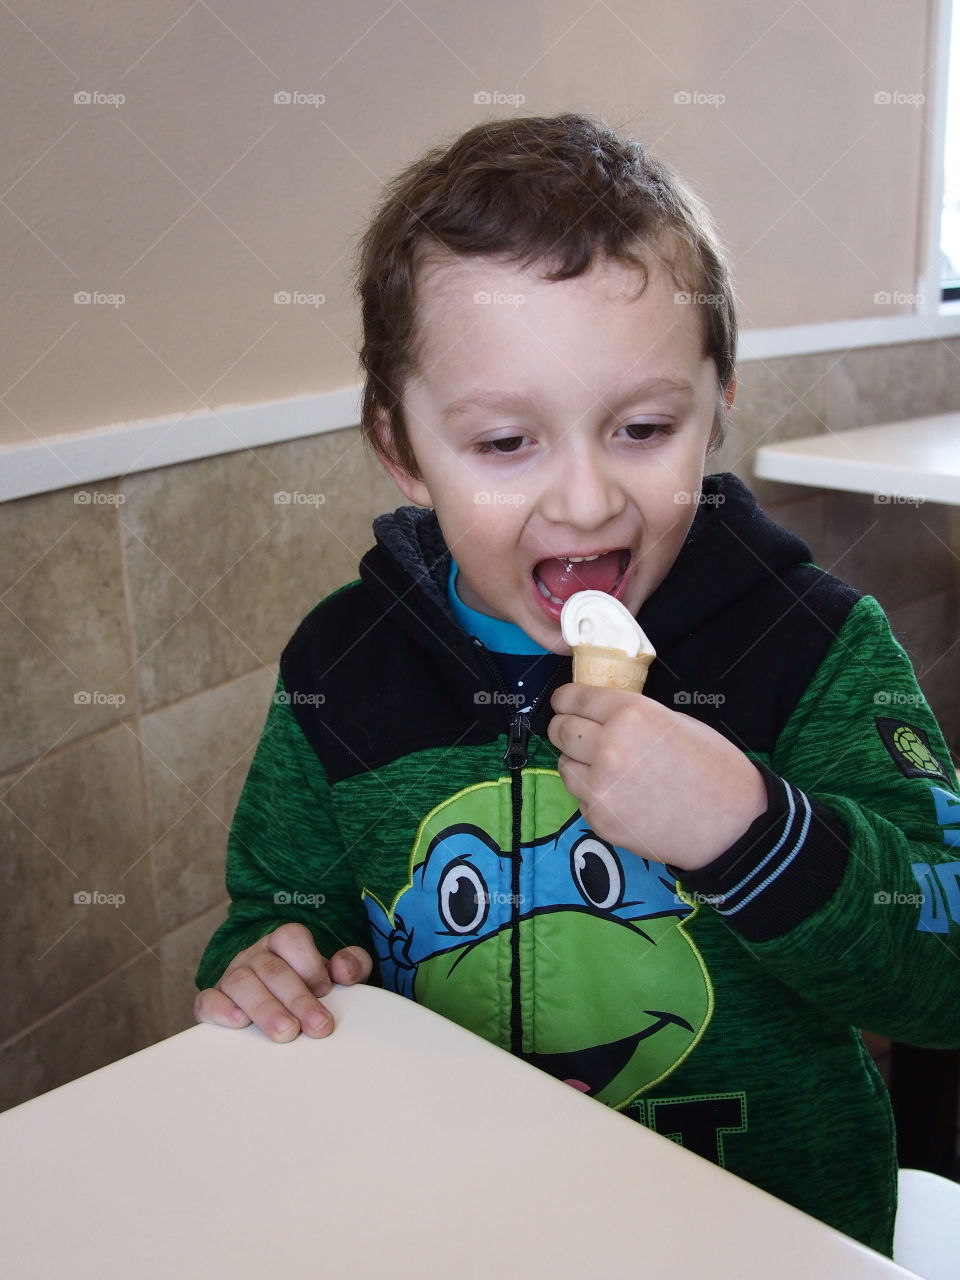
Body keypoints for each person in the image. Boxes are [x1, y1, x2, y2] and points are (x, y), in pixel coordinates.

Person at [194, 112, 960, 1255]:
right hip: (460, 1220)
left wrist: (754, 833)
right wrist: (268, 967)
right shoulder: (340, 670)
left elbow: (942, 967)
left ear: (718, 404)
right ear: (401, 447)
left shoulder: (812, 646)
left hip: (767, 1235)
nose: (589, 500)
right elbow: (280, 911)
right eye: (507, 443)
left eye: (645, 427)